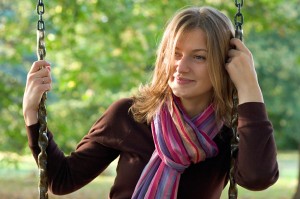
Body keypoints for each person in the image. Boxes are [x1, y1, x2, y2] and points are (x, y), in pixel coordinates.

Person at [23, 6, 279, 199]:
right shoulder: (129, 115)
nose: (181, 66)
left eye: (198, 57)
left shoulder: (228, 132)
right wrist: (31, 113)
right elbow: (62, 179)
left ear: (223, 64)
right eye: (175, 54)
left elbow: (258, 178)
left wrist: (248, 86)